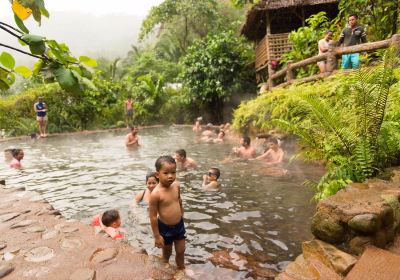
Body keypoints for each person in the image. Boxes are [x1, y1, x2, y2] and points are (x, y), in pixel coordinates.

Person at [149, 156, 186, 270]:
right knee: (167, 253)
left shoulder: (176, 185)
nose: (170, 176)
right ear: (157, 174)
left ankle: (181, 268)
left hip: (179, 224)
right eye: (166, 173)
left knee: (181, 250)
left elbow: (179, 200)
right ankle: (164, 268)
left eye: (173, 172)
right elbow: (153, 217)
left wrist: (181, 213)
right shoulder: (156, 194)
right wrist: (157, 236)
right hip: (165, 227)